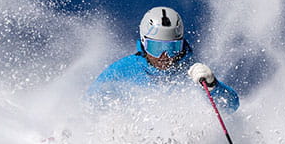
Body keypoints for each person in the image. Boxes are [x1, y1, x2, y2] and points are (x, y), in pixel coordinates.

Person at [88, 6, 239, 112]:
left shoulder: (193, 72)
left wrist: (213, 86)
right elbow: (89, 103)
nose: (165, 56)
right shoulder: (123, 70)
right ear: (144, 43)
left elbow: (231, 107)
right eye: (156, 47)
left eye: (172, 48)